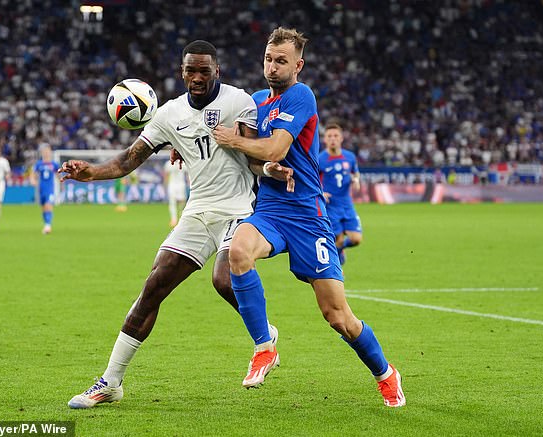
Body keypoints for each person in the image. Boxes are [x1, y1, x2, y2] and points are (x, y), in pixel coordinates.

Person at [59, 40, 293, 409]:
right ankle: (111, 382)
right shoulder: (168, 114)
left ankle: (264, 337)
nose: (197, 77)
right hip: (198, 212)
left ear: (218, 71)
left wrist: (268, 168)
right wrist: (91, 172)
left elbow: (251, 156)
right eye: (190, 71)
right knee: (153, 287)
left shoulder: (238, 102)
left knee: (222, 278)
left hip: (238, 209)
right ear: (181, 72)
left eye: (204, 70)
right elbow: (128, 160)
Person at [212, 27, 405, 407]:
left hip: (308, 217)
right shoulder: (254, 101)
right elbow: (255, 158)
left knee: (338, 316)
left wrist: (240, 144)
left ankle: (385, 373)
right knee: (238, 252)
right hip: (270, 208)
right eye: (268, 58)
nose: (272, 66)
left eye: (281, 60)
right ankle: (264, 347)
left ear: (297, 64)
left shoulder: (301, 95)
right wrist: (186, 149)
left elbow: (275, 147)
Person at [318, 122, 362, 265]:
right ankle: (337, 269)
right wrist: (321, 193)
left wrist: (356, 180)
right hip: (330, 206)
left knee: (356, 239)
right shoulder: (320, 160)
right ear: (325, 139)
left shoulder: (350, 157)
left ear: (341, 138)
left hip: (346, 203)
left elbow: (355, 173)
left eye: (336, 136)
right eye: (329, 136)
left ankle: (340, 250)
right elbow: (312, 182)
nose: (332, 139)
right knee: (337, 239)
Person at [30, 144, 60, 234]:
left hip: (50, 188)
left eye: (48, 151)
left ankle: (48, 225)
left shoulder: (54, 164)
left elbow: (58, 174)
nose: (46, 153)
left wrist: (62, 182)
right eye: (45, 151)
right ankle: (46, 224)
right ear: (42, 153)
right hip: (41, 188)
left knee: (48, 205)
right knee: (43, 207)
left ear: (50, 153)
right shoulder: (39, 164)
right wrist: (33, 180)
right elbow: (33, 173)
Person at [163, 159, 188, 227]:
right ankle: (174, 219)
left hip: (181, 184)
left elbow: (187, 175)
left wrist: (189, 184)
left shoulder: (183, 164)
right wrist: (165, 185)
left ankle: (182, 218)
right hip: (172, 185)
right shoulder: (168, 163)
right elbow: (166, 175)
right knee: (172, 202)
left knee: (182, 202)